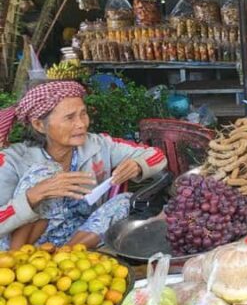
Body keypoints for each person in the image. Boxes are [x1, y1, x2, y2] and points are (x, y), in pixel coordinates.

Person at [0, 81, 167, 250]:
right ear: (39, 125)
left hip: (73, 238)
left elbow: (156, 155)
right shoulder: (11, 161)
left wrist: (138, 164)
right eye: (70, 117)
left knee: (123, 202)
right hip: (26, 247)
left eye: (83, 114)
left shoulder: (98, 144)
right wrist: (32, 196)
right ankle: (17, 260)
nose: (81, 124)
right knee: (44, 174)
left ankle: (65, 256)